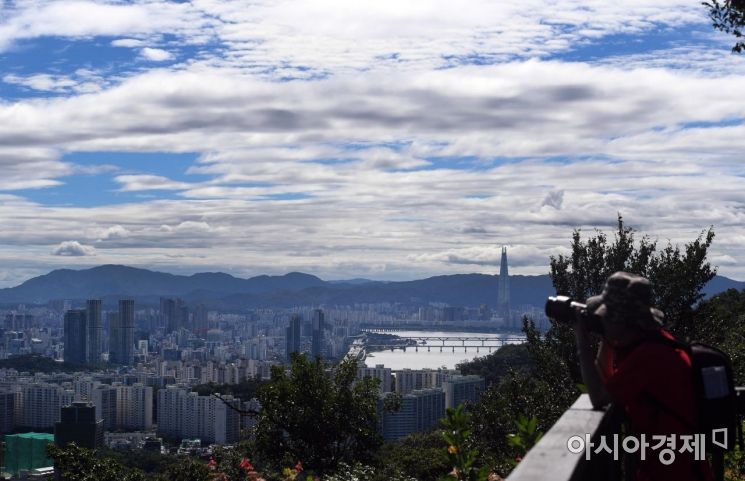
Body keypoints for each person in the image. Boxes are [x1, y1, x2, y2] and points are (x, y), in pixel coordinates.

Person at [574, 271, 713, 481]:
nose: (603, 320)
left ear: (623, 320)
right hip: (673, 467)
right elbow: (610, 382)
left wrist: (582, 341)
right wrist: (607, 338)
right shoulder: (656, 344)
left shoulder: (650, 356)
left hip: (673, 473)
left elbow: (600, 396)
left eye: (607, 316)